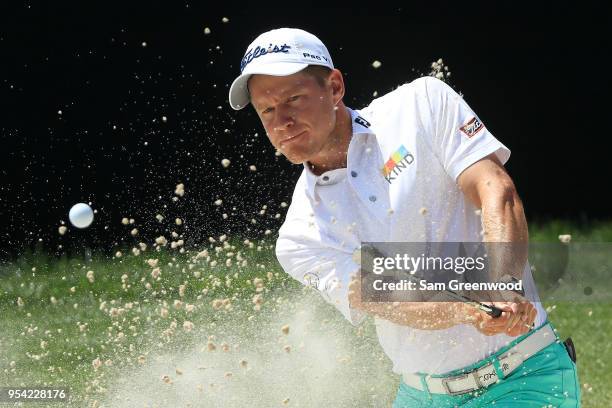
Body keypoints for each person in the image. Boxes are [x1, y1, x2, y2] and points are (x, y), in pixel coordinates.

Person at [228, 27, 580, 407]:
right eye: (267, 109)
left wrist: (504, 281)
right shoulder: (300, 235)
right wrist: (468, 309)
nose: (282, 121)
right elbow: (381, 298)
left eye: (294, 99)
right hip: (421, 395)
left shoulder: (421, 103)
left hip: (522, 375)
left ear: (334, 87)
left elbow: (495, 188)